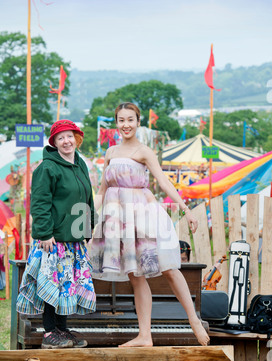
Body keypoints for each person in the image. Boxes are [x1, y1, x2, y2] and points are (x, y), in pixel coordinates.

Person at [88, 102, 209, 347]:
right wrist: (85, 218)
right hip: (118, 221)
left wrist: (186, 210)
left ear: (138, 122)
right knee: (135, 276)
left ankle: (193, 319)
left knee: (168, 267)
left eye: (130, 120)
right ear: (116, 123)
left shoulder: (144, 151)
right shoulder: (110, 152)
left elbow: (163, 182)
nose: (126, 125)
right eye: (121, 120)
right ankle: (145, 335)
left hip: (143, 216)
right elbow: (102, 191)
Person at [16, 120, 96, 349]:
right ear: (54, 143)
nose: (66, 141)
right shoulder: (47, 168)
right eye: (60, 138)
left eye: (69, 136)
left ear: (77, 138)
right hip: (53, 239)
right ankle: (50, 332)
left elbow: (87, 198)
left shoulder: (80, 164)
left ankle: (62, 329)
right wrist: (44, 234)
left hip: (73, 239)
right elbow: (40, 202)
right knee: (53, 284)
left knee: (66, 286)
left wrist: (87, 229)